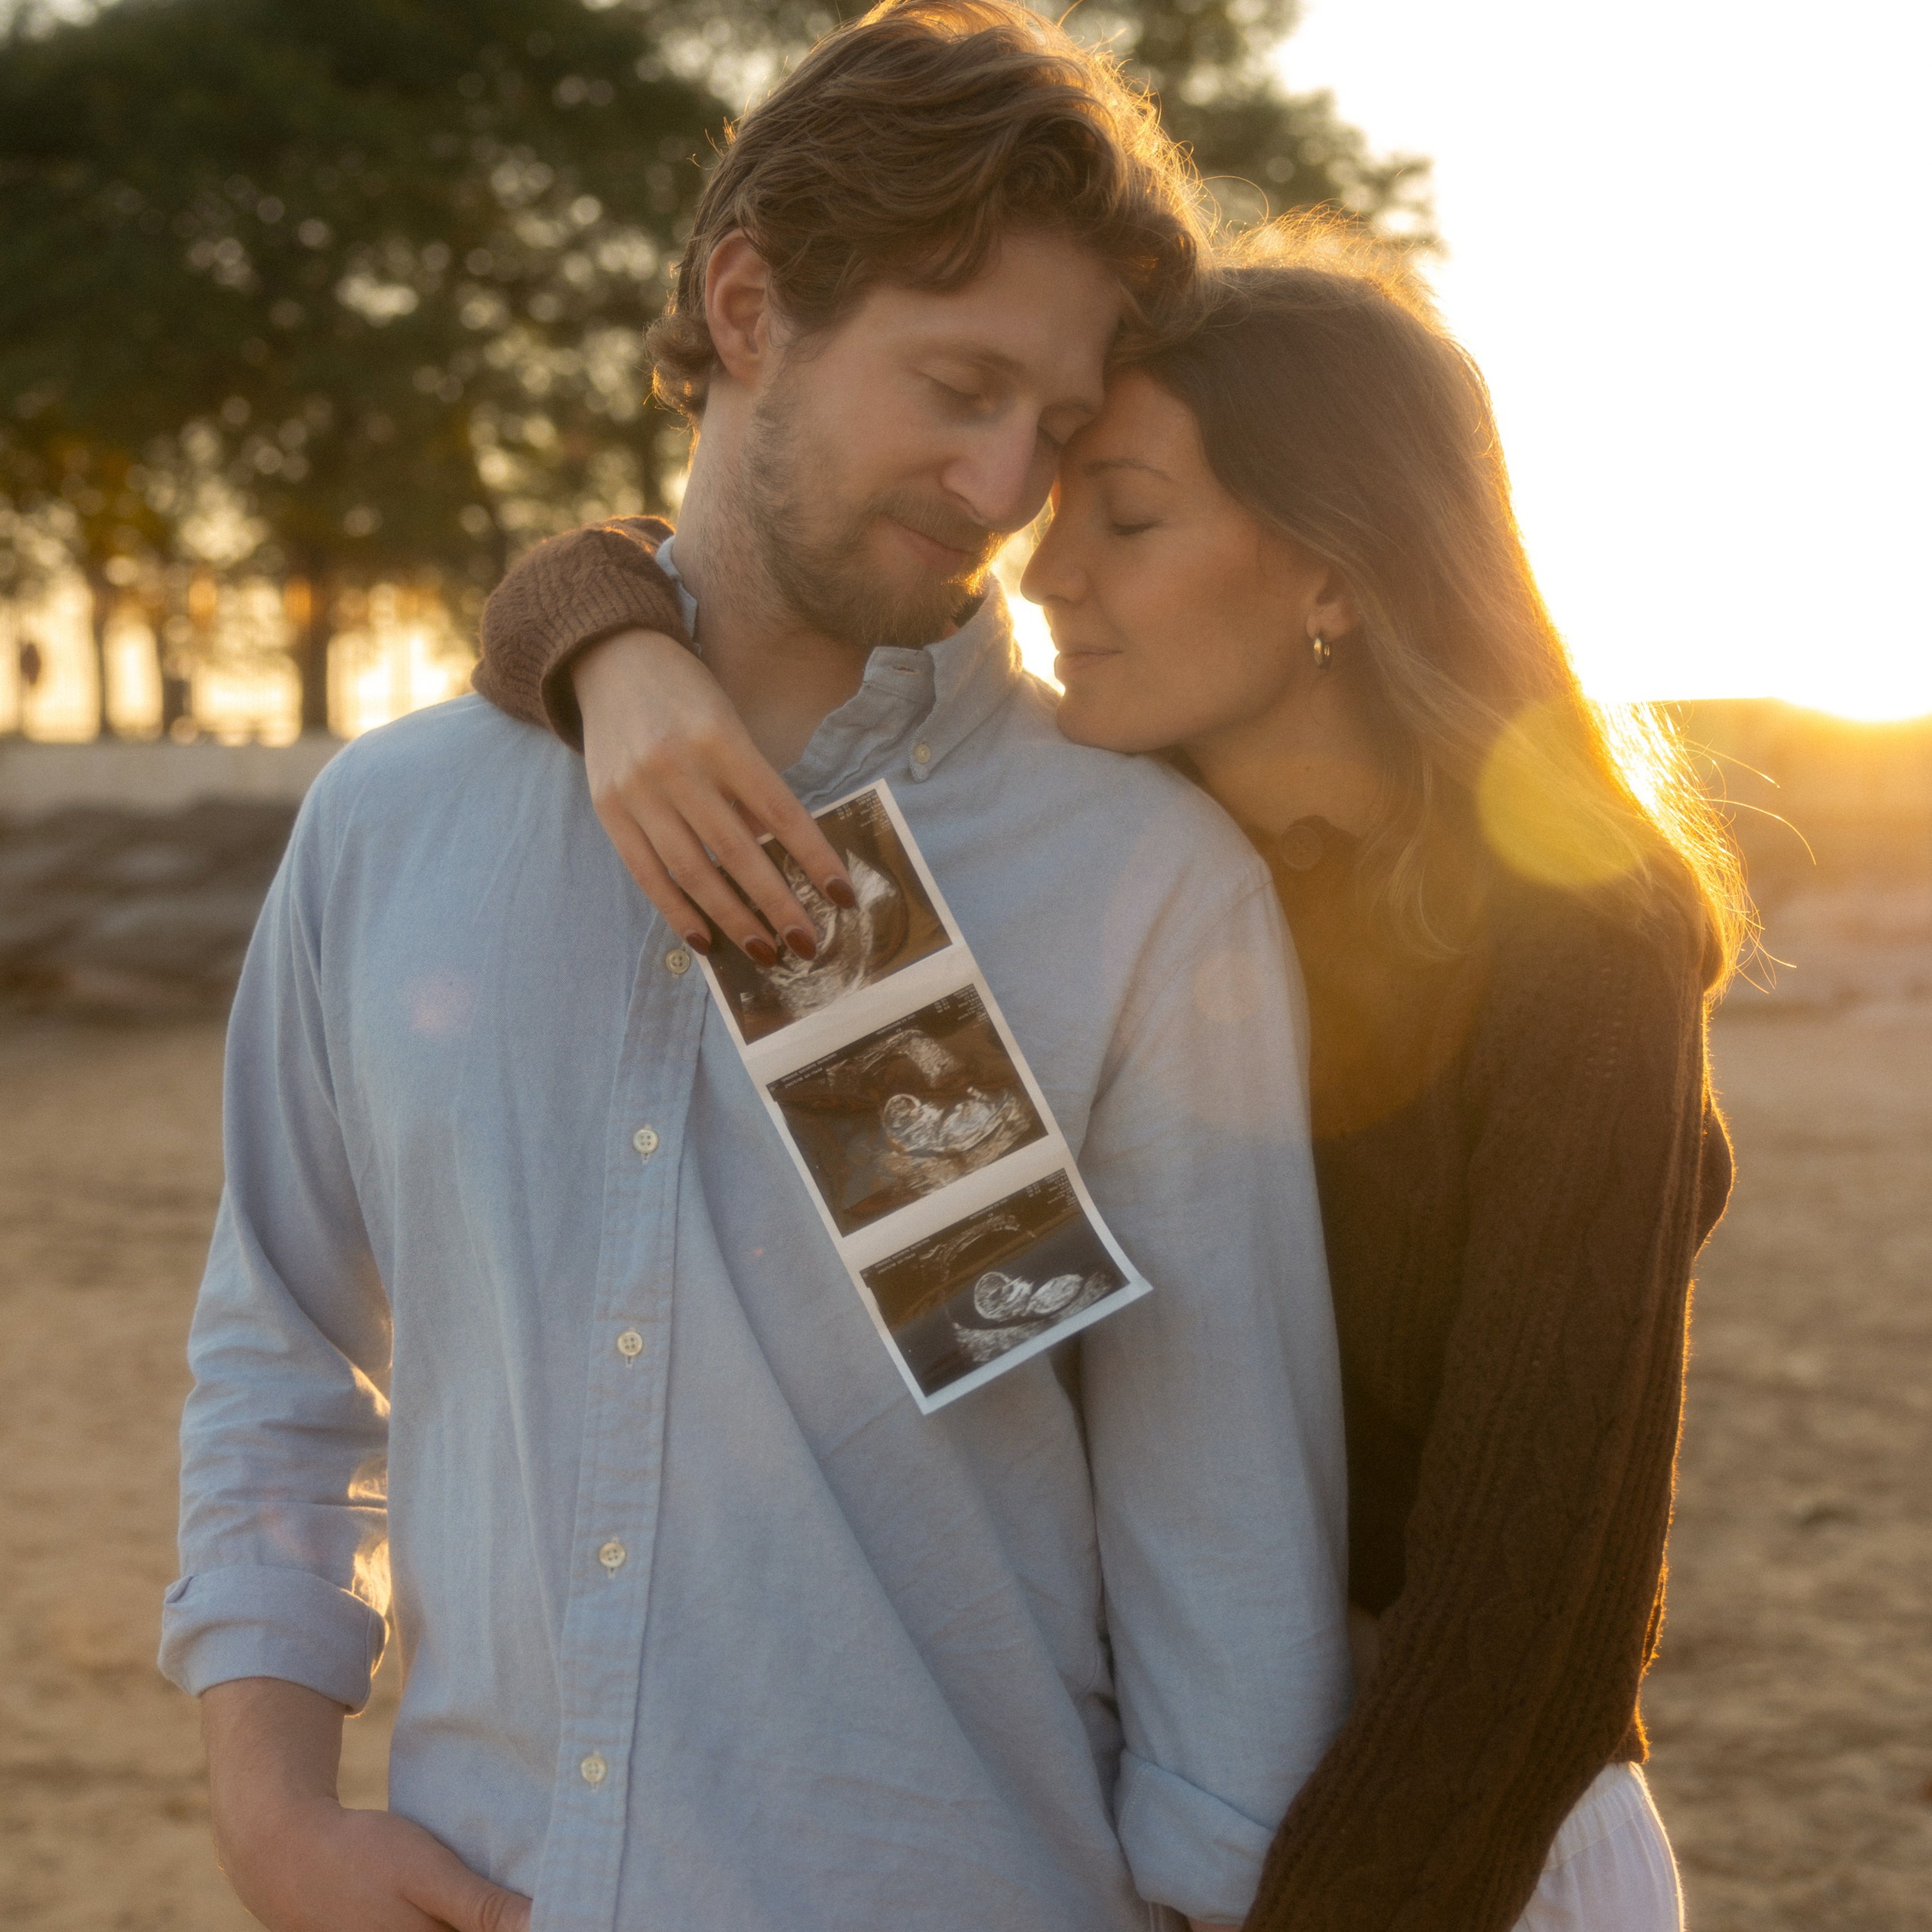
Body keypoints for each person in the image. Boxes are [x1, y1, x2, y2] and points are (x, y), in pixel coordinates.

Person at [159, 8, 1352, 1932]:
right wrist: (274, 1806)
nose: (995, 485)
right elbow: (287, 1350)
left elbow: (1216, 1512)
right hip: (495, 1881)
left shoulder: (1134, 878)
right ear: (743, 306)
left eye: (1053, 432)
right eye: (956, 384)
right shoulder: (389, 827)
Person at [469, 220, 1742, 1932]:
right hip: (1140, 1808)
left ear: (1335, 573)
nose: (1048, 571)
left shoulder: (1575, 944)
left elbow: (1540, 1594)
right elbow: (1000, 1346)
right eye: (1058, 509)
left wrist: (1290, 1896)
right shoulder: (1120, 866)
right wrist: (611, 648)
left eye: (1127, 517)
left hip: (1446, 1834)